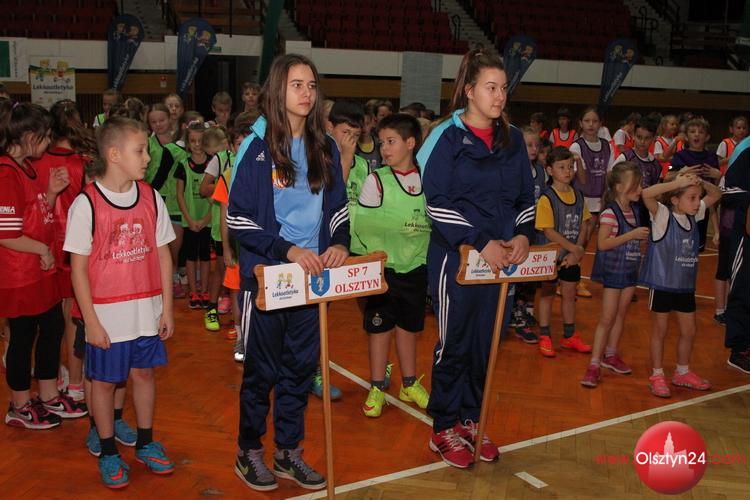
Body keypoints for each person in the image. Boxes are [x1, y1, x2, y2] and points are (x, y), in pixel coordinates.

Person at [227, 53, 349, 491]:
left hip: (310, 279)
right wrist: (287, 249)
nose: (306, 93)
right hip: (268, 277)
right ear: (277, 90)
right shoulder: (256, 146)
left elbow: (338, 207)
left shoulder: (325, 145)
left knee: (299, 369)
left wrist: (339, 243)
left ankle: (288, 451)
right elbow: (238, 219)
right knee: (261, 372)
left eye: (312, 85)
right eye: (297, 84)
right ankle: (249, 451)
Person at [417, 49, 534, 468]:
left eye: (503, 88)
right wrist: (479, 240)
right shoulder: (444, 137)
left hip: (501, 261)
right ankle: (443, 427)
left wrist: (523, 233)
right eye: (491, 87)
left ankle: (471, 419)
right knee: (455, 343)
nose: (500, 96)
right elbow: (436, 202)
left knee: (485, 344)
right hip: (456, 259)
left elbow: (526, 196)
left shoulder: (512, 138)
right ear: (469, 91)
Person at [65, 117, 176, 487]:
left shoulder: (151, 197)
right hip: (107, 316)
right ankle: (109, 450)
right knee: (104, 382)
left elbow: (163, 255)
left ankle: (145, 442)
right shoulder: (87, 203)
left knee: (143, 375)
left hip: (146, 310)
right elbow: (78, 270)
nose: (147, 157)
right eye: (139, 150)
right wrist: (91, 321)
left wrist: (167, 307)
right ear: (114, 155)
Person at [1, 102, 85, 430]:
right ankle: (20, 404)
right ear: (29, 136)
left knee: (52, 328)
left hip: (40, 267)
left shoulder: (27, 168)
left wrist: (51, 193)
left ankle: (49, 394)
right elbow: (6, 234)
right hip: (20, 272)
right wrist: (41, 249)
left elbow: (37, 215)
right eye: (46, 136)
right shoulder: (6, 172)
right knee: (23, 337)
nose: (49, 142)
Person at [351, 113, 431, 418]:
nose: (384, 148)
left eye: (391, 141)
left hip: (416, 267)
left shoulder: (427, 179)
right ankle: (376, 387)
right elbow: (365, 226)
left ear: (410, 143)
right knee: (380, 327)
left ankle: (409, 383)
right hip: (383, 269)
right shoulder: (376, 180)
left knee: (408, 327)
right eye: (382, 142)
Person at [639, 169, 722, 398]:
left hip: (684, 286)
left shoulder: (694, 214)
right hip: (662, 283)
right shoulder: (663, 215)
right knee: (660, 330)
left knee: (689, 330)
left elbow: (716, 194)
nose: (697, 203)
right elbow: (646, 194)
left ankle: (682, 372)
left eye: (698, 198)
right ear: (675, 199)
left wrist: (700, 182)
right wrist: (677, 182)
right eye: (691, 198)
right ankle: (657, 375)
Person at [33, 99, 95, 403]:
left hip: (43, 244)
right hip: (73, 245)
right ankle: (75, 382)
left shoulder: (34, 162)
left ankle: (53, 373)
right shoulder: (83, 162)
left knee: (48, 314)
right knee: (73, 313)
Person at [581, 162, 648, 387]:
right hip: (613, 271)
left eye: (640, 185)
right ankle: (594, 364)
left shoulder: (635, 211)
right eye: (635, 185)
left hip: (629, 270)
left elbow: (635, 241)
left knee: (621, 314)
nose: (640, 189)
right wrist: (632, 236)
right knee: (608, 317)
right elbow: (602, 244)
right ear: (620, 187)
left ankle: (611, 354)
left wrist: (641, 243)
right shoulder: (610, 212)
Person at [535, 147, 592, 358]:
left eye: (570, 166)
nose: (568, 171)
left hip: (571, 257)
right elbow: (548, 231)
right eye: (562, 167)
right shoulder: (546, 198)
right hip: (551, 257)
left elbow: (584, 225)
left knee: (569, 294)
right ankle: (544, 335)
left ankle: (569, 335)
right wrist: (573, 248)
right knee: (547, 294)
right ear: (550, 170)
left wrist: (577, 251)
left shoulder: (579, 196)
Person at [571, 106, 615, 298]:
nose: (591, 125)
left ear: (600, 124)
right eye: (587, 121)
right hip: (581, 200)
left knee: (586, 242)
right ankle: (569, 280)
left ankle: (572, 278)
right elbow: (581, 179)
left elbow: (609, 174)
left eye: (595, 121)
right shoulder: (576, 147)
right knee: (578, 241)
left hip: (598, 200)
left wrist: (606, 196)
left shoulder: (607, 146)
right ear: (581, 123)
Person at [510, 127, 546, 344]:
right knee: (518, 274)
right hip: (518, 230)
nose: (533, 149)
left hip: (536, 230)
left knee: (531, 275)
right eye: (528, 145)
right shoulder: (513, 169)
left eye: (536, 145)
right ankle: (516, 316)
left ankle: (525, 310)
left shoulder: (540, 171)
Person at [175, 122, 213, 309]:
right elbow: (179, 195)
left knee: (205, 256)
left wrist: (206, 219)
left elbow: (218, 195)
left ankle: (204, 290)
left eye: (201, 140)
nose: (197, 145)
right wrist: (189, 220)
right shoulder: (183, 165)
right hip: (189, 221)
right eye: (193, 141)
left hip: (208, 220)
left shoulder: (213, 164)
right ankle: (193, 291)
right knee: (190, 256)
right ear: (188, 143)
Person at [198, 127, 233, 329]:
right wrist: (226, 184)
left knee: (239, 270)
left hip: (244, 224)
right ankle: (211, 308)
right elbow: (203, 188)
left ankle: (235, 308)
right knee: (221, 267)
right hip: (222, 225)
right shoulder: (220, 159)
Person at [669, 117, 721, 252]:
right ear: (686, 136)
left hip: (702, 207)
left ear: (707, 137)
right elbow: (667, 178)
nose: (697, 134)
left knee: (696, 248)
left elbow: (715, 190)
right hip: (682, 207)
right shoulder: (680, 156)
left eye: (701, 132)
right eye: (692, 131)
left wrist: (718, 176)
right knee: (678, 247)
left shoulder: (711, 157)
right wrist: (680, 172)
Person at [723, 135, 750, 373]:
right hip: (746, 237)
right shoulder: (747, 156)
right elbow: (726, 189)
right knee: (743, 289)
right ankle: (739, 349)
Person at [652, 114, 684, 178]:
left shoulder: (678, 140)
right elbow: (661, 158)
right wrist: (675, 158)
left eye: (676, 124)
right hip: (662, 174)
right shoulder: (659, 141)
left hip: (675, 173)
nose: (675, 126)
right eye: (672, 124)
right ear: (664, 126)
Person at [356, 101, 382, 171]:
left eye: (367, 124)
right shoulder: (353, 145)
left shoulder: (379, 144)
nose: (364, 128)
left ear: (372, 123)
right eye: (361, 124)